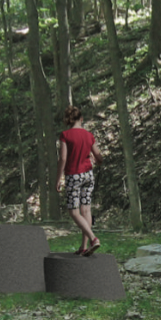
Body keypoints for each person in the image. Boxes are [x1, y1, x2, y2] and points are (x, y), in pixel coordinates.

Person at [56, 106, 103, 256]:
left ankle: (93, 239)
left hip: (73, 175)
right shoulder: (89, 135)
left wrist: (59, 178)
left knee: (74, 212)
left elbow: (63, 158)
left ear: (68, 120)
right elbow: (98, 155)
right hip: (88, 175)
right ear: (81, 119)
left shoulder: (65, 135)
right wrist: (97, 162)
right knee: (86, 210)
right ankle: (83, 247)